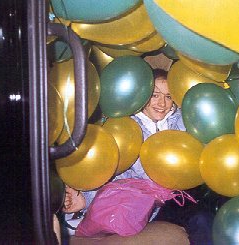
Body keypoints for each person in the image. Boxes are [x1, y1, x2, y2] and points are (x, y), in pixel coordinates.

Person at [61, 68, 221, 244]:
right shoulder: (126, 128)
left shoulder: (183, 121)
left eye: (168, 96)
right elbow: (112, 175)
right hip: (153, 204)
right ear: (142, 95)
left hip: (187, 191)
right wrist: (85, 198)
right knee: (201, 219)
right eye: (155, 95)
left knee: (212, 208)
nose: (162, 103)